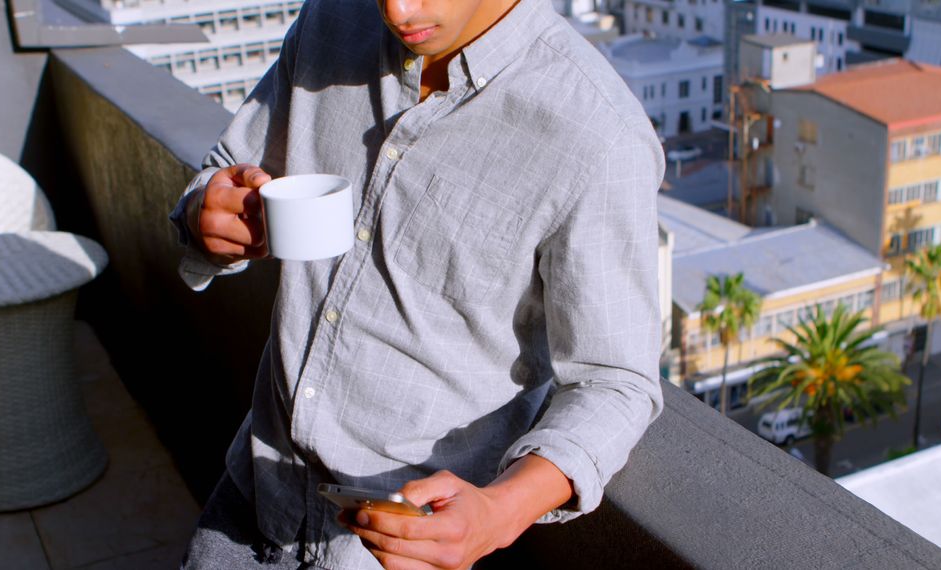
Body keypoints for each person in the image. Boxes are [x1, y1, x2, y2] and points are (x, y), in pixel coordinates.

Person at [170, 0, 665, 568]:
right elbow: (231, 164)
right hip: (253, 497)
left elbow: (617, 382)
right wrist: (205, 215)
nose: (398, 10)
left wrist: (501, 513)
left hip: (395, 549)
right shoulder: (330, 22)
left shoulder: (599, 132)